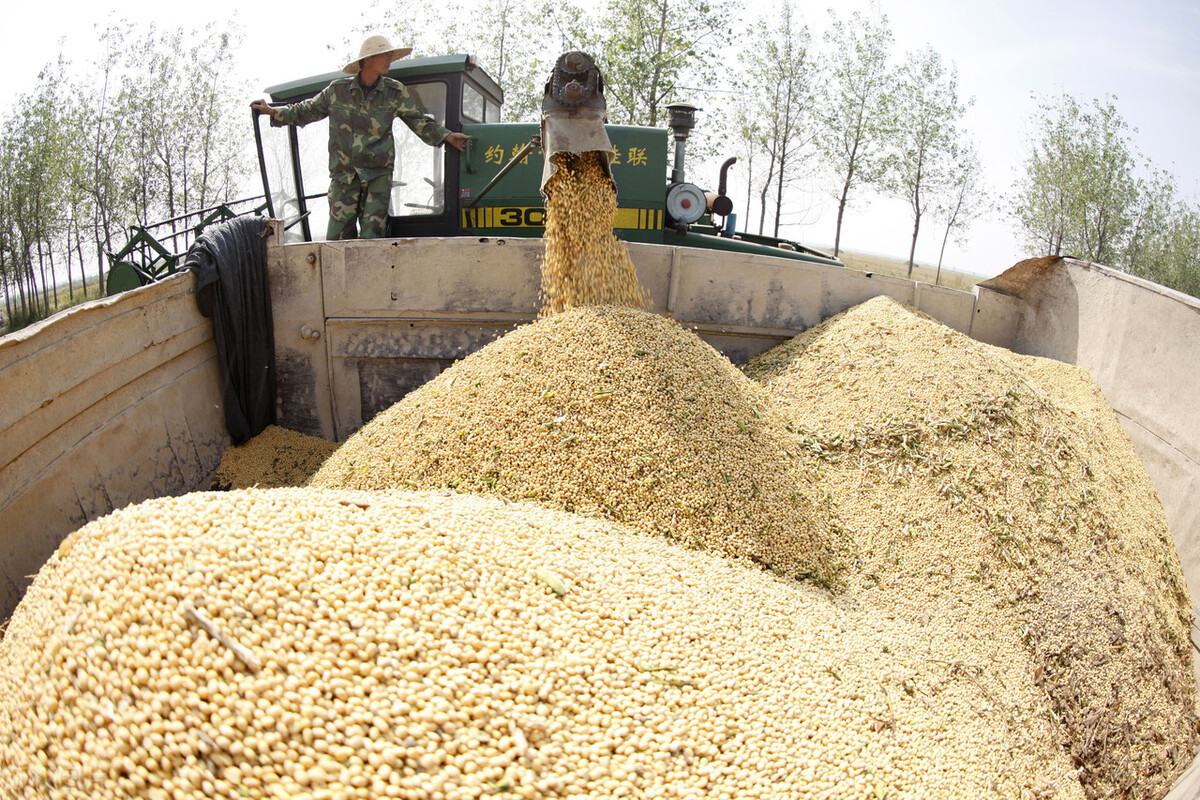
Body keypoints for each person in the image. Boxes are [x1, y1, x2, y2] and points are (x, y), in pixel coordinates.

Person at [251, 36, 470, 240]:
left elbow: (418, 121)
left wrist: (447, 136)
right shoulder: (337, 91)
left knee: (371, 240)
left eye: (390, 56)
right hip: (343, 177)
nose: (389, 61)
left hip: (377, 178)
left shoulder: (395, 92)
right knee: (336, 240)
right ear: (367, 60)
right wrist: (272, 112)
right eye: (384, 55)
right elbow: (306, 110)